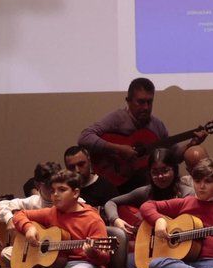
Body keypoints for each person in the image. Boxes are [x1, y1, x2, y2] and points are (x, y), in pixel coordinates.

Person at [77, 77, 205, 190]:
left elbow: (174, 157)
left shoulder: (157, 125)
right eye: (141, 101)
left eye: (149, 102)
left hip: (145, 185)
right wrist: (119, 149)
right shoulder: (117, 118)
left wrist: (191, 145)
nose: (146, 107)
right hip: (118, 184)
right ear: (129, 101)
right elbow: (84, 137)